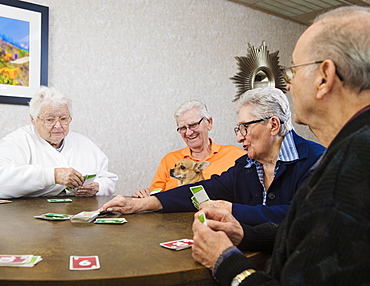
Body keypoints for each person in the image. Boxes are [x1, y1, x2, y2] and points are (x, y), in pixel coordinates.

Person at [191, 6, 370, 285]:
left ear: (324, 76)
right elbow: (314, 234)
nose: (288, 85)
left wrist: (224, 259)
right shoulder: (351, 149)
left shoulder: (350, 169)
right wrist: (246, 235)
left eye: (293, 72)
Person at [100, 87, 325, 226]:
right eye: (238, 129)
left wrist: (231, 209)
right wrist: (138, 205)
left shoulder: (318, 161)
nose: (240, 138)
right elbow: (201, 191)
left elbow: (302, 217)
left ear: (273, 125)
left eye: (245, 128)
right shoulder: (247, 165)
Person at [0, 86, 118, 199]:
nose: (58, 126)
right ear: (33, 120)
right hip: (28, 214)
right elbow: (2, 182)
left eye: (63, 119)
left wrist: (99, 187)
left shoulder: (83, 143)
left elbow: (108, 180)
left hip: (77, 211)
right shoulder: (17, 141)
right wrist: (53, 176)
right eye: (50, 120)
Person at [132, 100, 245, 198]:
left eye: (193, 125)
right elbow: (155, 196)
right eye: (182, 128)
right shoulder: (169, 160)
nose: (188, 132)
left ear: (209, 123)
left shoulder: (235, 155)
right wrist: (144, 195)